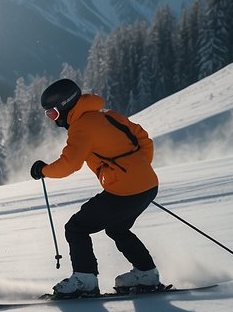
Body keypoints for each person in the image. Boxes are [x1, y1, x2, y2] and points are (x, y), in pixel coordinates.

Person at [31, 78, 163, 298]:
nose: (53, 120)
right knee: (117, 228)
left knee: (76, 227)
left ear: (65, 106)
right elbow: (143, 139)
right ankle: (146, 274)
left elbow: (69, 164)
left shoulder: (82, 127)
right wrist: (137, 171)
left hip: (125, 191)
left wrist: (43, 170)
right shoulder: (107, 114)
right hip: (148, 185)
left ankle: (85, 280)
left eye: (52, 114)